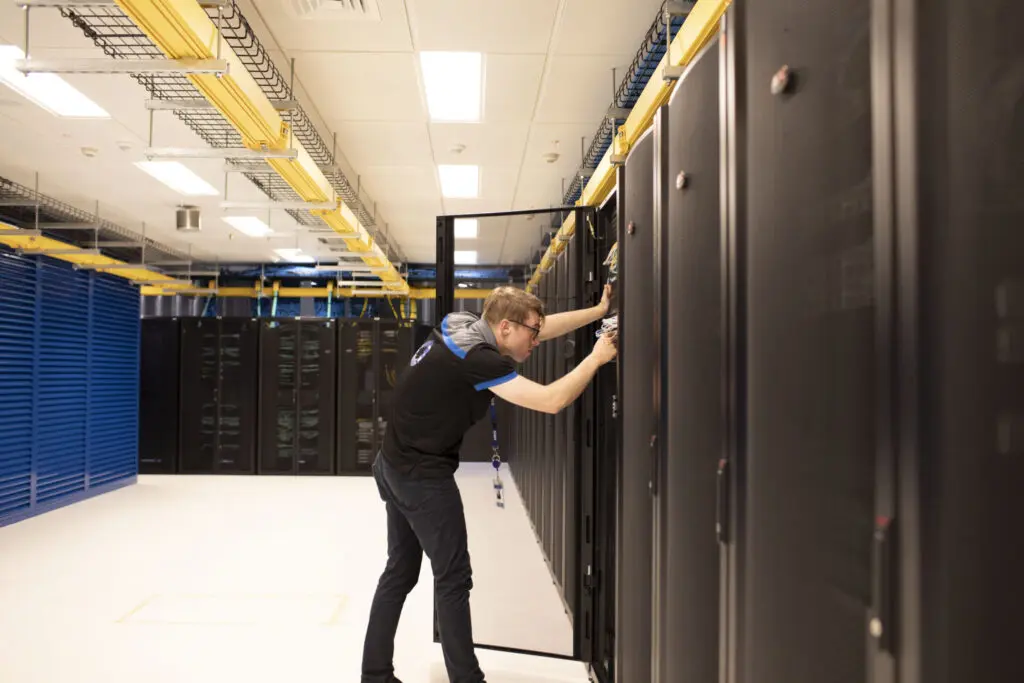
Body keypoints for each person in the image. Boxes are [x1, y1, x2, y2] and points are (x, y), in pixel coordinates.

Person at [360, 284, 618, 683]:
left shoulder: (461, 323)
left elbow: (546, 327)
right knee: (453, 577)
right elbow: (550, 400)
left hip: (392, 463)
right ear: (504, 329)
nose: (536, 339)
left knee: (400, 571)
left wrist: (598, 311)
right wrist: (596, 358)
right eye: (530, 332)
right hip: (421, 476)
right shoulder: (479, 362)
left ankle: (374, 675)